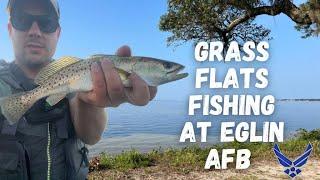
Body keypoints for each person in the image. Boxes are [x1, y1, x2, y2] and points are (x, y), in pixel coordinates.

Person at [0, 0, 157, 179]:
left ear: (58, 33)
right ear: (10, 29)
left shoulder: (73, 76)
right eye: (22, 19)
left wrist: (89, 101)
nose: (35, 31)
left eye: (46, 23)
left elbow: (91, 137)